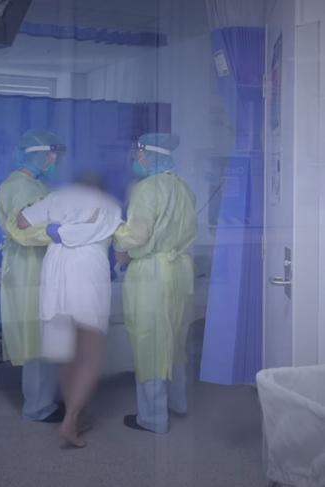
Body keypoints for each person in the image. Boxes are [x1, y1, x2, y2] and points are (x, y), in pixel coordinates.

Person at [17, 173, 123, 447]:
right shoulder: (109, 205)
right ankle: (70, 419)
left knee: (66, 354)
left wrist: (54, 228)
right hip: (88, 276)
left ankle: (74, 415)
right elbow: (122, 248)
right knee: (89, 356)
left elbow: (21, 221)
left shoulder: (57, 198)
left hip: (55, 277)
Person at [113, 133, 197, 434]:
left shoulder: (147, 189)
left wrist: (115, 234)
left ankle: (153, 417)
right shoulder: (183, 187)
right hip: (180, 271)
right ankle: (178, 403)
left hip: (152, 273)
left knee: (150, 342)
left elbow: (136, 235)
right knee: (175, 340)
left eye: (138, 154)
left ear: (147, 156)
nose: (136, 159)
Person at [0, 129, 67, 422]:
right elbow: (24, 230)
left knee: (47, 335)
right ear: (37, 154)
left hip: (39, 265)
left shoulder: (36, 186)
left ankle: (46, 400)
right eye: (50, 155)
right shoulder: (20, 188)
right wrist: (63, 232)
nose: (54, 160)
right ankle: (37, 407)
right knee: (37, 337)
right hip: (29, 267)